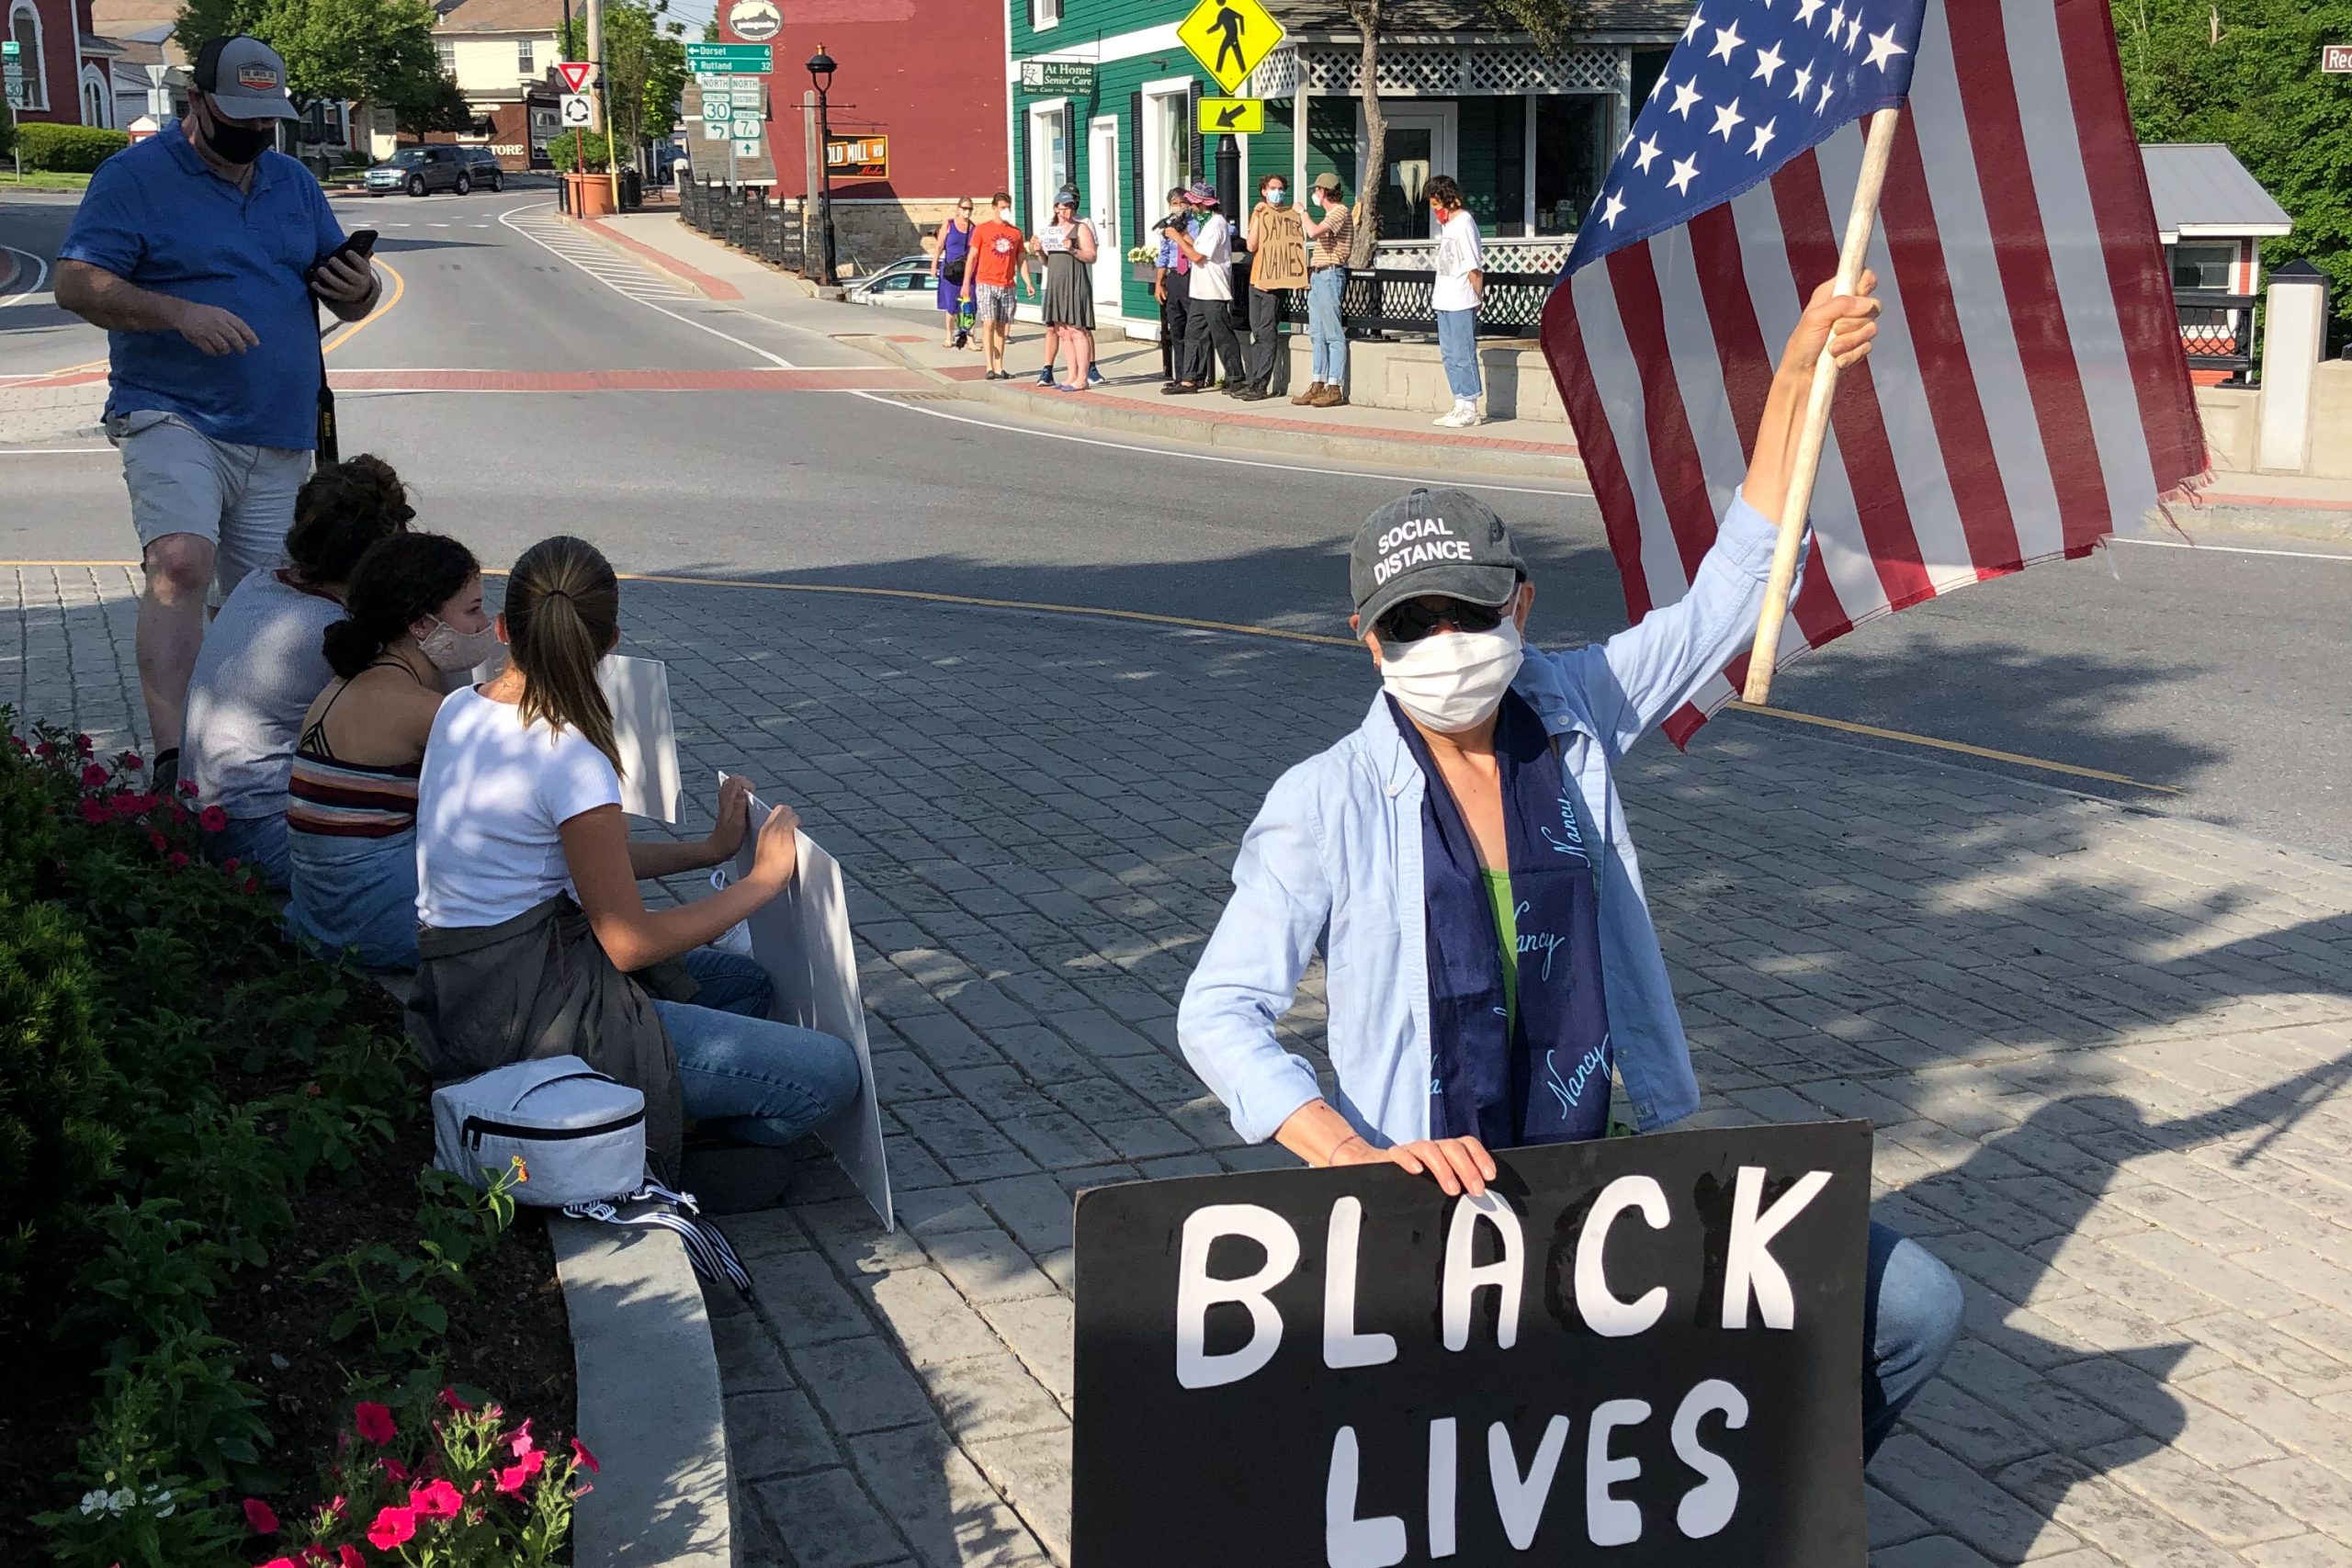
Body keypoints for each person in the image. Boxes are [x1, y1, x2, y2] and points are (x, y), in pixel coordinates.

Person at [1177, 273, 1962, 1467]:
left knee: (1913, 1306)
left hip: (1618, 1170)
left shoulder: (1578, 704)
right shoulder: (1324, 802)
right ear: (1367, 639)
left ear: (1522, 604)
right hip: (1442, 1212)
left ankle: (1765, 1512)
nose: (1445, 644)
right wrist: (1355, 1154)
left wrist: (1799, 372)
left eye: (1470, 611)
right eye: (1410, 621)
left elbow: (1735, 589)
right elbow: (1219, 1010)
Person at [405, 536, 863, 1174]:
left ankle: (672, 1108)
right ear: (612, 640)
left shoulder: (459, 708)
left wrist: (706, 849)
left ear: (507, 630)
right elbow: (628, 942)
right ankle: (657, 1144)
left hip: (468, 992)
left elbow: (586, 862)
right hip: (537, 1017)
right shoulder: (570, 756)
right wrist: (760, 882)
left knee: (749, 986)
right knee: (833, 1074)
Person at [53, 35, 382, 791]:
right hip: (172, 413)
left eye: (267, 120)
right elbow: (75, 283)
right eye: (239, 116)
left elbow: (350, 290)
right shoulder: (133, 178)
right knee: (180, 563)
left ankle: (246, 768)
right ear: (194, 102)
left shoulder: (293, 183)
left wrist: (355, 289)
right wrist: (174, 312)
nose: (255, 135)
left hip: (277, 428)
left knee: (268, 610)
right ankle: (174, 760)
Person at [180, 455, 414, 889]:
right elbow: (413, 720)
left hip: (210, 812)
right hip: (260, 834)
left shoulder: (259, 582)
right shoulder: (330, 633)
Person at [285, 532, 492, 972]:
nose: (484, 625)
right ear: (421, 624)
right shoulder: (422, 710)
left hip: (320, 916)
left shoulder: (348, 684)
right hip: (374, 926)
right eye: (473, 610)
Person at [1163, 183, 1244, 398]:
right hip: (1199, 289)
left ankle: (1236, 377)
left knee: (1221, 335)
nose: (1189, 205)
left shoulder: (1217, 224)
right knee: (1193, 335)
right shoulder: (1205, 224)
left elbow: (1197, 257)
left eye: (1192, 202)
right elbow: (1196, 247)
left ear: (1201, 203)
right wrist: (1182, 233)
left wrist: (1177, 238)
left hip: (1213, 289)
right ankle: (1188, 380)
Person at [1427, 175, 1485, 428]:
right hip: (1444, 298)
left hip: (1462, 298)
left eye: (1437, 204)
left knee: (1463, 352)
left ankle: (1470, 406)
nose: (1435, 210)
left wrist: (1478, 296)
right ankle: (1459, 401)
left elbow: (1474, 265)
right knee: (1449, 354)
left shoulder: (1464, 223)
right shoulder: (1447, 226)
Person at [1242, 173, 1306, 400]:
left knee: (1268, 333)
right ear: (1264, 190)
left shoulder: (1289, 215)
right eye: (1273, 188)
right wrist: (1259, 216)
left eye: (1281, 188)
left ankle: (1261, 383)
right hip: (1257, 279)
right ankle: (1253, 378)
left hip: (1275, 283)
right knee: (1257, 332)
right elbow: (1251, 245)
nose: (1277, 192)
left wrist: (1301, 212)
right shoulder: (1260, 213)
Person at [960, 192, 1035, 382]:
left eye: (1008, 207)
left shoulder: (1016, 233)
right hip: (986, 282)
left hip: (1007, 284)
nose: (1005, 211)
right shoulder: (982, 230)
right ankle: (989, 366)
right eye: (1002, 207)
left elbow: (1021, 260)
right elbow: (972, 257)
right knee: (988, 323)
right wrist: (966, 284)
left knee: (1002, 326)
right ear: (994, 208)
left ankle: (1000, 367)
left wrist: (1027, 282)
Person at [1033, 185, 1100, 392]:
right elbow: (1047, 261)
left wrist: (1073, 249)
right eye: (1063, 207)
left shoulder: (1081, 227)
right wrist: (1038, 251)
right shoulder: (1050, 230)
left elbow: (1092, 256)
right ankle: (1071, 375)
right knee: (1062, 331)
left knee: (1077, 330)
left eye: (1070, 207)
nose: (1066, 211)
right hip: (1056, 281)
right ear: (1056, 208)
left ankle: (1083, 377)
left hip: (1075, 280)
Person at [1295, 171, 1354, 407]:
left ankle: (1335, 386)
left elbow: (1314, 231)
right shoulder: (1330, 214)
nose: (1314, 194)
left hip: (1331, 273)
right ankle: (1317, 381)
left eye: (1316, 190)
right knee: (1317, 333)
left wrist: (1303, 213)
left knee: (1333, 333)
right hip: (1318, 274)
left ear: (1323, 191)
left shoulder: (1340, 211)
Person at [1153, 187, 1194, 386]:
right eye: (1174, 204)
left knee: (1192, 328)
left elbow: (1199, 248)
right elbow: (1164, 255)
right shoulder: (1167, 226)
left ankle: (1193, 375)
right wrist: (1159, 283)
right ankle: (1179, 375)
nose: (1178, 208)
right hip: (1174, 276)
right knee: (1176, 327)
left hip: (1192, 275)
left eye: (1182, 203)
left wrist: (1182, 234)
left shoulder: (1195, 224)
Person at [932, 197, 977, 349]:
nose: (967, 211)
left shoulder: (973, 228)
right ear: (958, 208)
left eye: (970, 208)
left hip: (967, 270)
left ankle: (970, 339)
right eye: (964, 208)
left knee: (969, 305)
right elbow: (939, 246)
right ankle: (949, 336)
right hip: (950, 270)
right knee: (952, 306)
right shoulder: (949, 225)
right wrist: (934, 265)